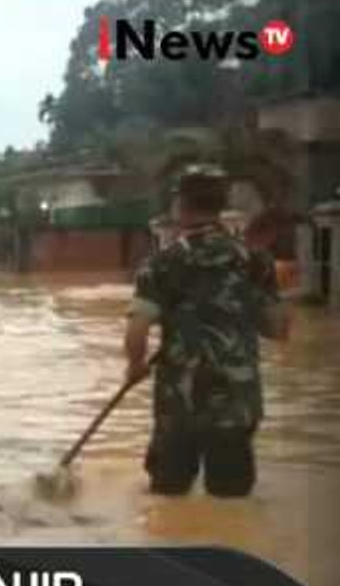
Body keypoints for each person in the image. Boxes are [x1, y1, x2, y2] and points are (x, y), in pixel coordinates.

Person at [124, 169, 291, 498]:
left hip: (179, 403)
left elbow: (137, 328)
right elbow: (277, 329)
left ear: (179, 204)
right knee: (231, 502)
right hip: (237, 402)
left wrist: (135, 365)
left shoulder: (161, 263)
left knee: (168, 499)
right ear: (221, 205)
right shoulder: (254, 260)